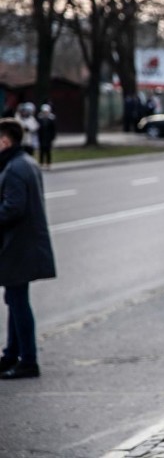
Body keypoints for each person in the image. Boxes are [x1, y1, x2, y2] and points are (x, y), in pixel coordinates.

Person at [0, 118, 56, 379]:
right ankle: (11, 354)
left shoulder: (13, 169)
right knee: (15, 300)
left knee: (18, 303)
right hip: (26, 244)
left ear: (5, 141)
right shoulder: (26, 163)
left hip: (18, 246)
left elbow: (13, 209)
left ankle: (28, 360)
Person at [36, 104, 57, 170]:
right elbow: (38, 129)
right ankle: (41, 163)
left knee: (48, 151)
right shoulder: (40, 118)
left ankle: (48, 163)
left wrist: (53, 137)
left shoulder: (51, 119)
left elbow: (54, 129)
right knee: (41, 151)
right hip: (42, 137)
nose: (45, 113)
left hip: (48, 138)